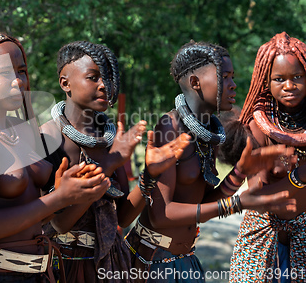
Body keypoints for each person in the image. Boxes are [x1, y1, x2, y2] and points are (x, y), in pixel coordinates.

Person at [0, 29, 111, 283]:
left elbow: (36, 211)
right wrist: (58, 198)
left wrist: (71, 190)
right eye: (5, 72)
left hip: (40, 272)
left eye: (21, 71)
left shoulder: (16, 127)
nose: (18, 81)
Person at [127, 40, 297, 283]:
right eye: (225, 77)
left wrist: (239, 173)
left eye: (232, 77)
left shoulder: (209, 133)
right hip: (152, 262)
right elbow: (161, 215)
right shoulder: (170, 127)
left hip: (185, 260)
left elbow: (202, 204)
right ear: (195, 83)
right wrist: (236, 204)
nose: (233, 85)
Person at [39, 41, 192, 283]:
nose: (103, 86)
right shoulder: (47, 139)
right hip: (61, 266)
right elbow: (58, 224)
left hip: (109, 267)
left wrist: (150, 176)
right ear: (65, 83)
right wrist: (109, 164)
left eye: (107, 79)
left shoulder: (111, 140)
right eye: (93, 77)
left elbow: (122, 217)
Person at [230, 32, 306, 283]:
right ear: (266, 82)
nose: (289, 85)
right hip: (262, 237)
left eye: (298, 77)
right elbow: (258, 196)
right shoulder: (257, 126)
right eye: (279, 79)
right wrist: (300, 176)